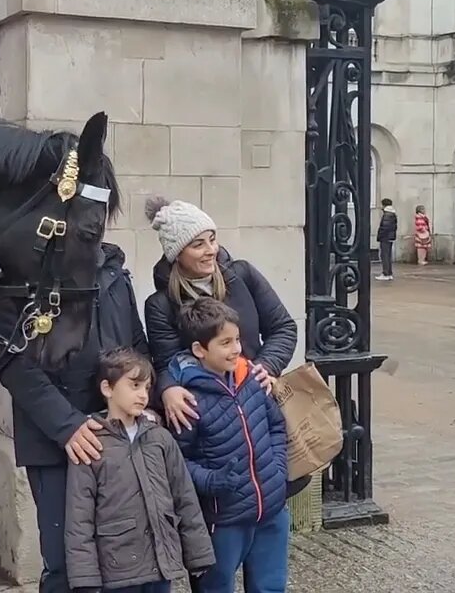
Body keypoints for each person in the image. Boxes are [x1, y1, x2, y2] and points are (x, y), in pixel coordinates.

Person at [0, 241, 151, 592]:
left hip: (115, 435)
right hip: (54, 443)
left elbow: (137, 346)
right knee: (67, 566)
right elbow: (12, 363)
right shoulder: (21, 279)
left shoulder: (113, 272)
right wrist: (67, 426)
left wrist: (141, 401)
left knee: (121, 559)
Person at [64, 347, 216, 593]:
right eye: (134, 386)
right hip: (117, 570)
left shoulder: (160, 438)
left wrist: (198, 554)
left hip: (160, 564)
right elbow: (79, 517)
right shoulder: (91, 443)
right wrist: (84, 578)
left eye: (146, 388)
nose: (143, 395)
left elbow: (184, 497)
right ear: (107, 388)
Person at [141, 196, 297, 435]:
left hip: (258, 401)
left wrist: (266, 366)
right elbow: (166, 362)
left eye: (212, 240)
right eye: (198, 245)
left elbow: (283, 327)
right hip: (208, 418)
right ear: (177, 254)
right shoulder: (160, 305)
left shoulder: (243, 275)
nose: (210, 251)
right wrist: (168, 388)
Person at [168, 298, 289, 593]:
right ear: (200, 350)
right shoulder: (188, 401)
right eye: (225, 343)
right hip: (223, 517)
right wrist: (211, 481)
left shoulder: (250, 378)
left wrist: (278, 468)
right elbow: (177, 459)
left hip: (271, 509)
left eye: (237, 340)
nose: (236, 349)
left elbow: (276, 425)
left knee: (270, 586)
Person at [376, 198, 398, 281]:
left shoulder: (387, 214)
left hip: (385, 237)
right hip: (390, 237)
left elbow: (384, 227)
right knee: (388, 255)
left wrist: (380, 236)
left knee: (384, 255)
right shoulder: (392, 213)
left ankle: (385, 273)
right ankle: (389, 273)